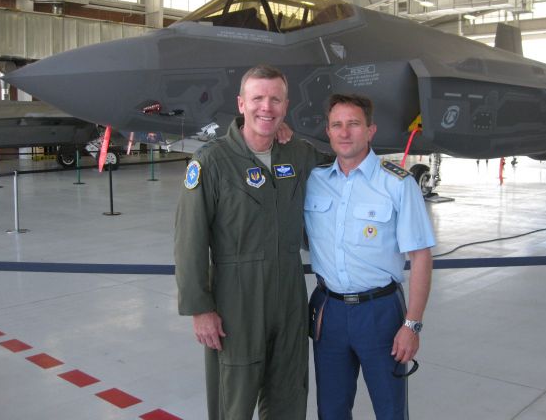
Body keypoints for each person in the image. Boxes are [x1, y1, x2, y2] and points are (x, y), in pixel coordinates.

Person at [174, 65, 326, 420]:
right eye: (258, 98)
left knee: (290, 393)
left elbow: (342, 166)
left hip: (289, 294)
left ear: (286, 106)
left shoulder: (298, 154)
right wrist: (200, 309)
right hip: (236, 300)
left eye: (275, 100)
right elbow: (189, 240)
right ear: (241, 104)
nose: (266, 107)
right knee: (234, 399)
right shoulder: (211, 161)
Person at [304, 93, 435, 419]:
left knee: (390, 410)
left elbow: (421, 256)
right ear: (328, 131)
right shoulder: (315, 182)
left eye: (353, 124)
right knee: (331, 410)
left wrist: (412, 324)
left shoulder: (398, 184)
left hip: (380, 312)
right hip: (329, 311)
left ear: (370, 130)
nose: (344, 132)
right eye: (337, 125)